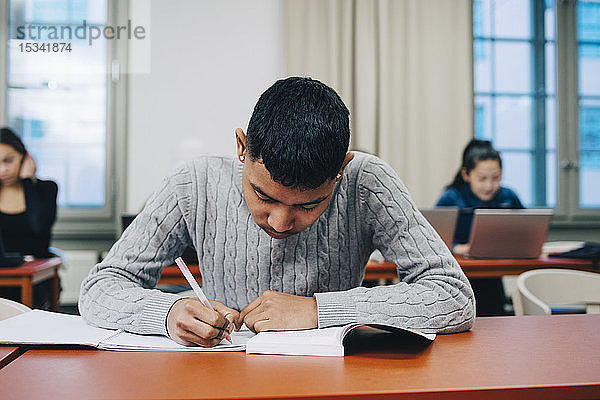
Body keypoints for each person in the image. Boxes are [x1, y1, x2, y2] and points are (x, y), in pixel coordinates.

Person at [80, 77, 475, 347]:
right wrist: (168, 312)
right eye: (263, 196)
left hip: (338, 381)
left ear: (341, 168)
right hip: (221, 376)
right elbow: (101, 288)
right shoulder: (193, 184)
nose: (281, 222)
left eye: (309, 205)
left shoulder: (366, 181)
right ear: (241, 147)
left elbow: (453, 295)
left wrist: (320, 310)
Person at [436, 139, 524, 316]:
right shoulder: (451, 198)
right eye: (482, 178)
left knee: (495, 322)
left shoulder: (508, 197)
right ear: (466, 174)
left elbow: (527, 230)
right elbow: (433, 238)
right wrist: (456, 247)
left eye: (496, 177)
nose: (489, 185)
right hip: (459, 277)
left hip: (492, 274)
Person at [0, 127, 58, 308]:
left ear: (24, 157)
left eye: (8, 160)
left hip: (35, 276)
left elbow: (38, 226)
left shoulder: (46, 189)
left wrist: (27, 181)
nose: (2, 169)